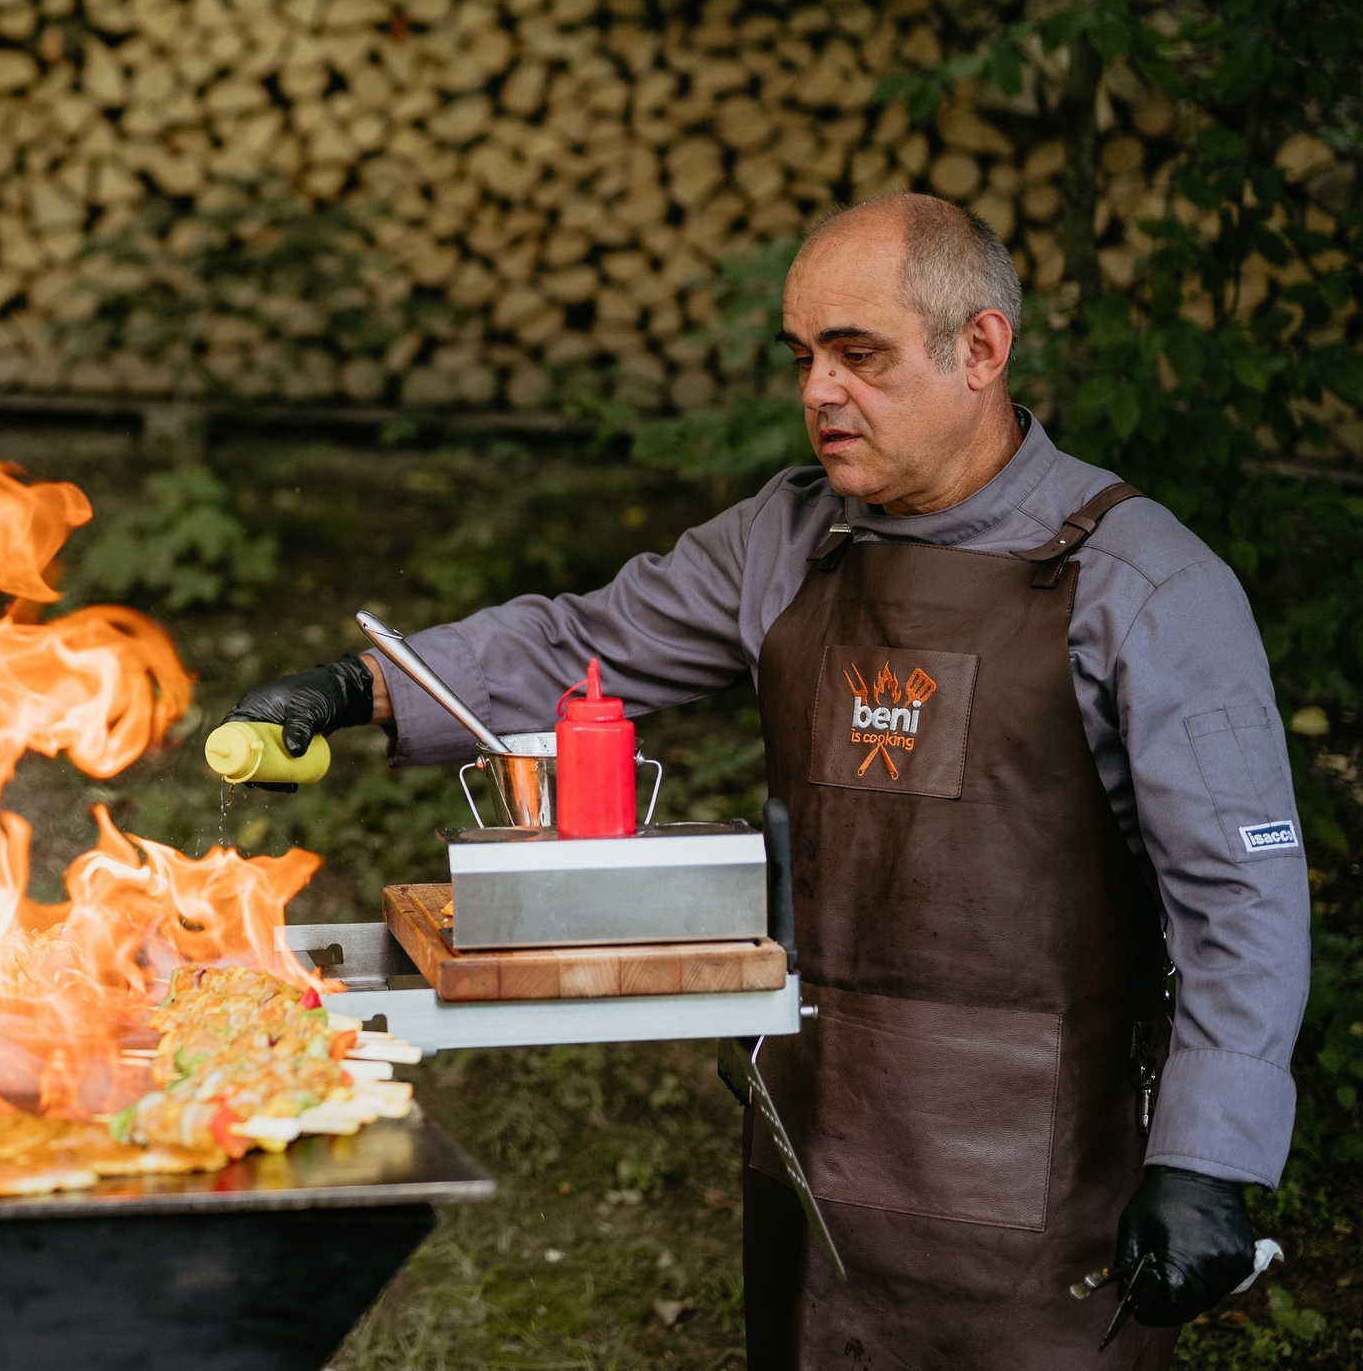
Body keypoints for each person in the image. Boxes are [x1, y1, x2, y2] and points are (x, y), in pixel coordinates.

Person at [229, 194, 1308, 1367]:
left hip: (1044, 1172)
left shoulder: (1145, 581)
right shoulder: (790, 538)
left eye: (858, 355)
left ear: (981, 350)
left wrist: (1209, 1158)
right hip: (816, 1126)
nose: (816, 392)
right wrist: (361, 685)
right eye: (802, 356)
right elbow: (576, 646)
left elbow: (1240, 897)